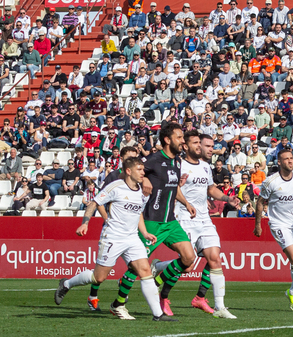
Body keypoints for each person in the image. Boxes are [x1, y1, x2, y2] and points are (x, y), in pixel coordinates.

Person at [53, 157, 172, 321]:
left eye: (143, 169)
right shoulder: (116, 187)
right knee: (98, 277)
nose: (143, 172)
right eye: (139, 169)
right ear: (128, 171)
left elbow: (138, 214)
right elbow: (94, 203)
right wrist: (85, 223)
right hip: (113, 237)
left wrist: (144, 233)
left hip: (132, 238)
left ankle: (158, 315)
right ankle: (66, 284)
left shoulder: (141, 191)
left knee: (145, 272)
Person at [116, 123, 199, 317]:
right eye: (179, 137)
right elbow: (126, 172)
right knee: (136, 265)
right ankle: (118, 303)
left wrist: (186, 203)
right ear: (168, 140)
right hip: (152, 220)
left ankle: (156, 283)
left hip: (170, 221)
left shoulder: (177, 161)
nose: (183, 141)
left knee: (189, 258)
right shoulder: (152, 159)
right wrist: (142, 178)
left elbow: (173, 187)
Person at [154, 133, 237, 319]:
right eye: (196, 143)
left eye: (201, 143)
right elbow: (170, 189)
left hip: (204, 219)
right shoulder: (178, 165)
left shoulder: (206, 167)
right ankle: (163, 293)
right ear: (186, 147)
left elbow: (210, 189)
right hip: (184, 218)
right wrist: (182, 194)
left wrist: (226, 198)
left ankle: (218, 306)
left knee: (214, 258)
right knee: (188, 265)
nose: (200, 147)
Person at [256, 147, 293, 312]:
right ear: (280, 162)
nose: (290, 161)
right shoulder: (271, 181)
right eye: (286, 159)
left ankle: (292, 291)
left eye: (291, 158)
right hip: (279, 224)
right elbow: (260, 202)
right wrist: (258, 224)